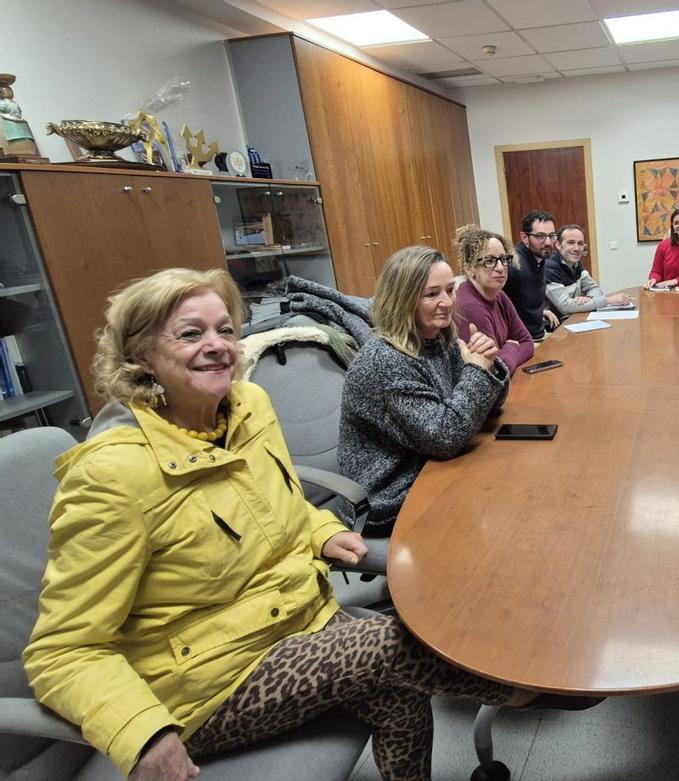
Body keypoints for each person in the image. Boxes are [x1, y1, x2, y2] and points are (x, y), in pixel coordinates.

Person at [22, 268, 525, 781]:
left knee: (398, 690)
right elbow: (62, 651)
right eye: (191, 334)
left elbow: (276, 501)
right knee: (393, 642)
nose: (217, 346)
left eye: (226, 330)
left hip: (294, 622)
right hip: (206, 687)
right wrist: (141, 731)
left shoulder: (248, 406)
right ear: (140, 354)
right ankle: (529, 682)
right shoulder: (110, 475)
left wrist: (319, 531)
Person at [340, 246, 509, 536]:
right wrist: (477, 371)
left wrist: (490, 366)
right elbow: (445, 436)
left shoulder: (437, 338)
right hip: (388, 496)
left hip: (428, 467)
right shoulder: (386, 360)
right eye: (432, 294)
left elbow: (485, 407)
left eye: (450, 290)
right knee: (498, 505)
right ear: (404, 300)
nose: (447, 302)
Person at [453, 224, 534, 371]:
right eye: (490, 261)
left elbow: (527, 342)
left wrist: (507, 354)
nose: (500, 268)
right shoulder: (469, 306)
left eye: (504, 259)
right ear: (470, 268)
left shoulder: (499, 295)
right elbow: (495, 370)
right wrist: (511, 346)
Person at [544, 224, 633, 315]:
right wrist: (608, 300)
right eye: (571, 242)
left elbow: (594, 288)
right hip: (554, 325)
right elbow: (565, 307)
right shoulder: (549, 267)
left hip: (571, 318)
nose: (577, 248)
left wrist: (589, 298)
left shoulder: (576, 263)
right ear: (558, 245)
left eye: (580, 243)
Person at [504, 208, 560, 341]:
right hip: (523, 342)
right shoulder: (513, 265)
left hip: (538, 335)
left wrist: (540, 312)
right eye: (540, 236)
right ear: (524, 237)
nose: (547, 242)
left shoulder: (539, 258)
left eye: (551, 236)